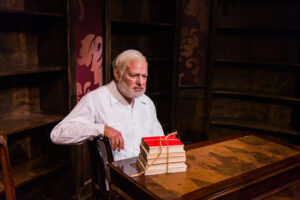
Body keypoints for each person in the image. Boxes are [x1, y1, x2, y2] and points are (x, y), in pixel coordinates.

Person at [50, 49, 164, 161]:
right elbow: (58, 134)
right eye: (134, 75)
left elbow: (160, 141)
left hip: (146, 172)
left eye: (144, 76)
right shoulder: (96, 99)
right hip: (116, 176)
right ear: (117, 74)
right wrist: (101, 129)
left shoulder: (147, 103)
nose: (140, 82)